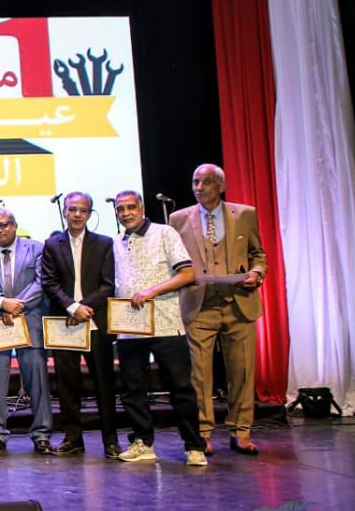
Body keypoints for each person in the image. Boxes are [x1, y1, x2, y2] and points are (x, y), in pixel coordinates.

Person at [169, 164, 267, 456]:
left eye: (206, 182)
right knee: (199, 375)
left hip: (239, 303)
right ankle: (203, 433)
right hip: (200, 305)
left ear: (221, 186)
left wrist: (257, 273)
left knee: (242, 371)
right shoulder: (178, 219)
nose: (199, 187)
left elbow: (257, 254)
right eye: (195, 182)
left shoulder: (245, 214)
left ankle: (241, 431)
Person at [111, 191, 208, 466]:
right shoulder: (116, 242)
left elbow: (187, 273)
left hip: (166, 324)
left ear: (142, 208)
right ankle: (143, 443)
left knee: (180, 388)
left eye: (131, 207)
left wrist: (151, 291)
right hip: (129, 327)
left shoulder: (164, 233)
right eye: (121, 209)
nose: (126, 213)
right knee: (133, 390)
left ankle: (194, 446)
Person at [40, 192, 120, 458]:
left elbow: (108, 284)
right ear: (64, 211)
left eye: (82, 210)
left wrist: (83, 307)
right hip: (65, 322)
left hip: (95, 321)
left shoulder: (104, 243)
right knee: (67, 384)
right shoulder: (52, 244)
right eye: (72, 209)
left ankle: (110, 440)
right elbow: (49, 282)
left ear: (89, 214)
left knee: (104, 384)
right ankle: (73, 438)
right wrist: (72, 307)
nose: (77, 214)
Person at [0, 208, 54, 455]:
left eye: (4, 225)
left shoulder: (36, 248)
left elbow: (42, 282)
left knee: (37, 382)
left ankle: (42, 434)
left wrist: (17, 305)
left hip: (29, 322)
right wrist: (2, 303)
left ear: (15, 226)